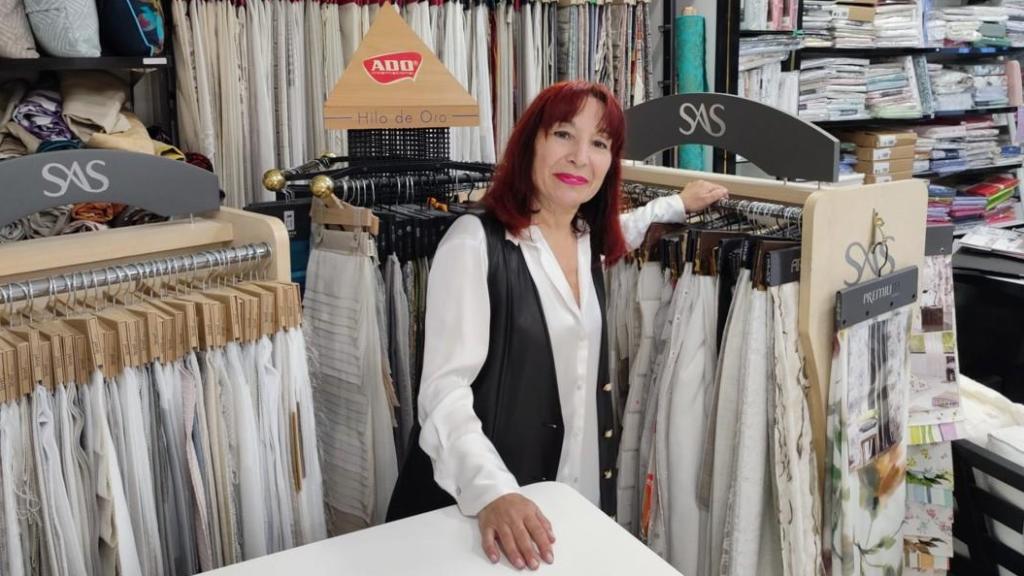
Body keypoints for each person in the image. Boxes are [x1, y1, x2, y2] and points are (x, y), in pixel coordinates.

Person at [386, 81, 729, 570]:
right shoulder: (474, 242)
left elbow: (625, 232)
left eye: (599, 144)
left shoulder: (584, 237)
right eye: (564, 135)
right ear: (532, 144)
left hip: (567, 498)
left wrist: (675, 205)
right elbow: (443, 392)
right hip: (482, 515)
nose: (580, 158)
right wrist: (494, 493)